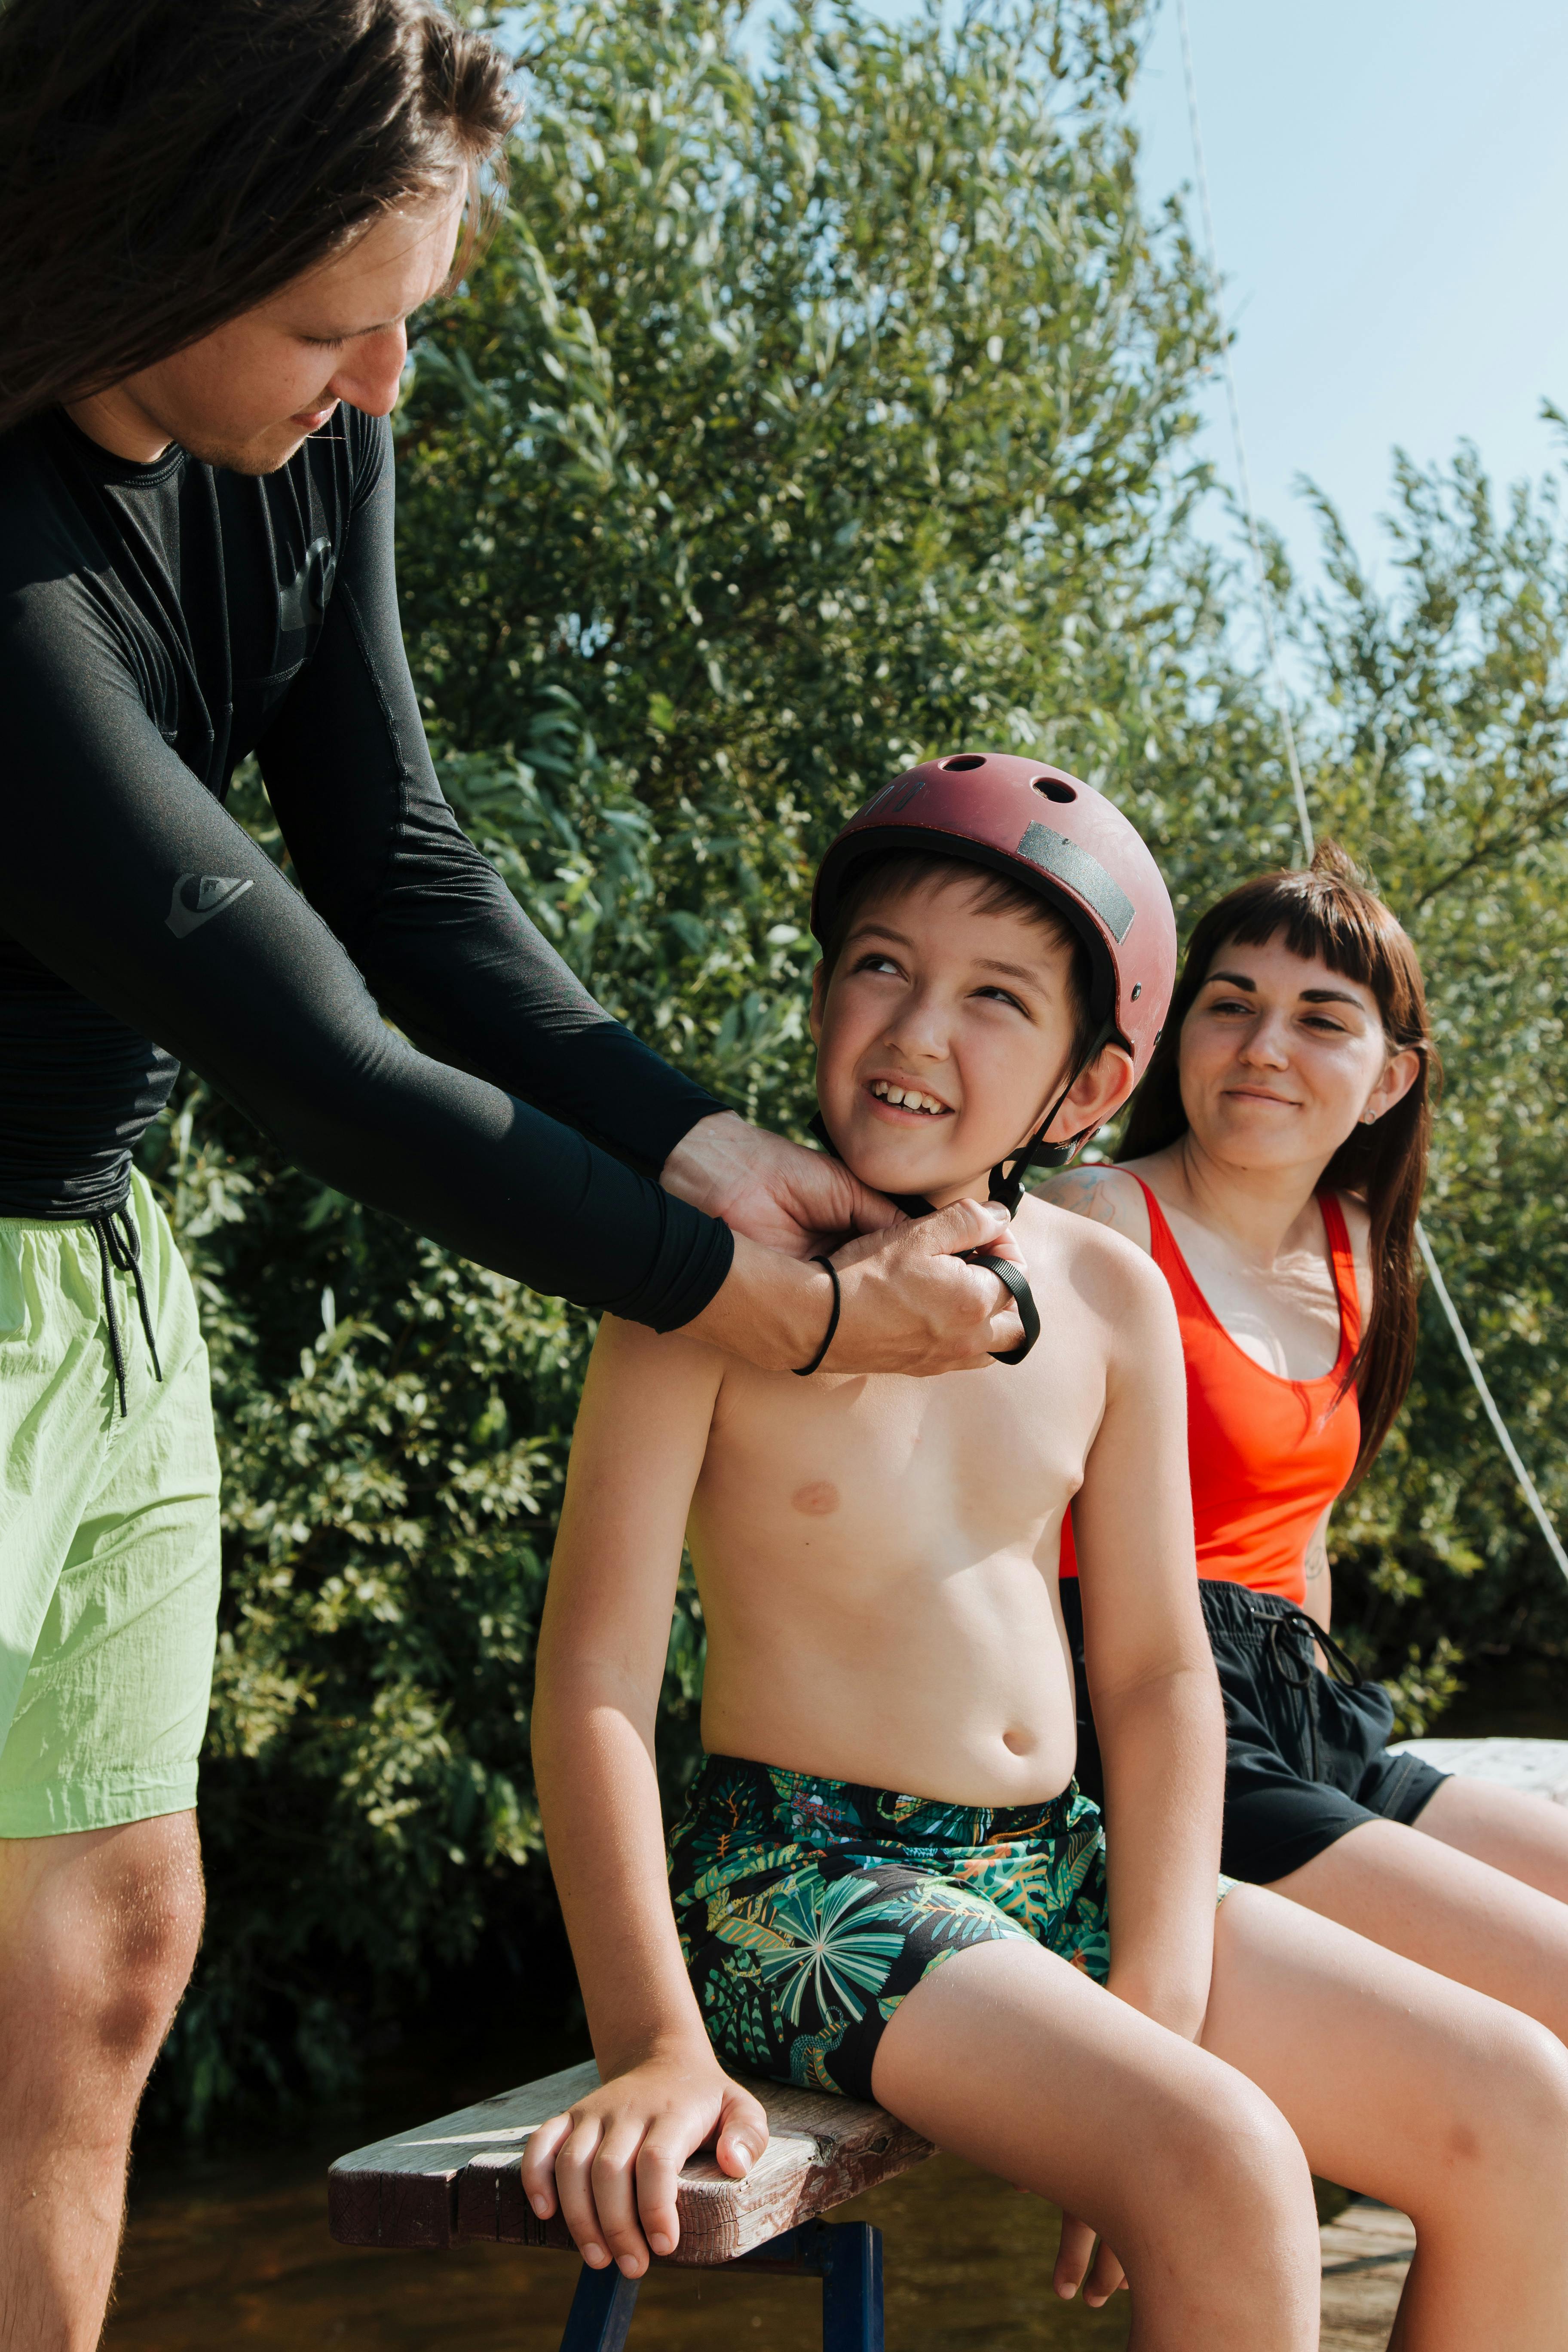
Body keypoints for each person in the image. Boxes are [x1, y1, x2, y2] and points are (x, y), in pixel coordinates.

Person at [0, 7, 1020, 2341]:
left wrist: (709, 1147)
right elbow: (309, 1050)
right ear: (142, 241)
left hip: (103, 1287)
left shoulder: (311, 433)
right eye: (328, 322)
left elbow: (405, 869)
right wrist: (744, 1298)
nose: (376, 384)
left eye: (412, 318)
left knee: (114, 1944)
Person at [523, 758, 1568, 2352]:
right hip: (805, 1878)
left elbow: (1153, 1677)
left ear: (1085, 1088)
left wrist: (1151, 2007)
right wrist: (651, 2038)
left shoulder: (1105, 1296)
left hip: (1058, 1863)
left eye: (998, 997)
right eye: (882, 965)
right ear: (821, 997)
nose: (921, 1028)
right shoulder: (709, 1291)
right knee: (1231, 2162)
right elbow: (594, 1675)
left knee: (1529, 2113)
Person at [1045, 842, 1568, 2054]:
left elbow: (1302, 1543)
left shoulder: (1360, 1249)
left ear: (1389, 1081)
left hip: (1306, 1706)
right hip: (1141, 1711)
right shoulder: (1092, 1221)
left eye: (1320, 1018)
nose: (1264, 1045)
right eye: (1231, 1005)